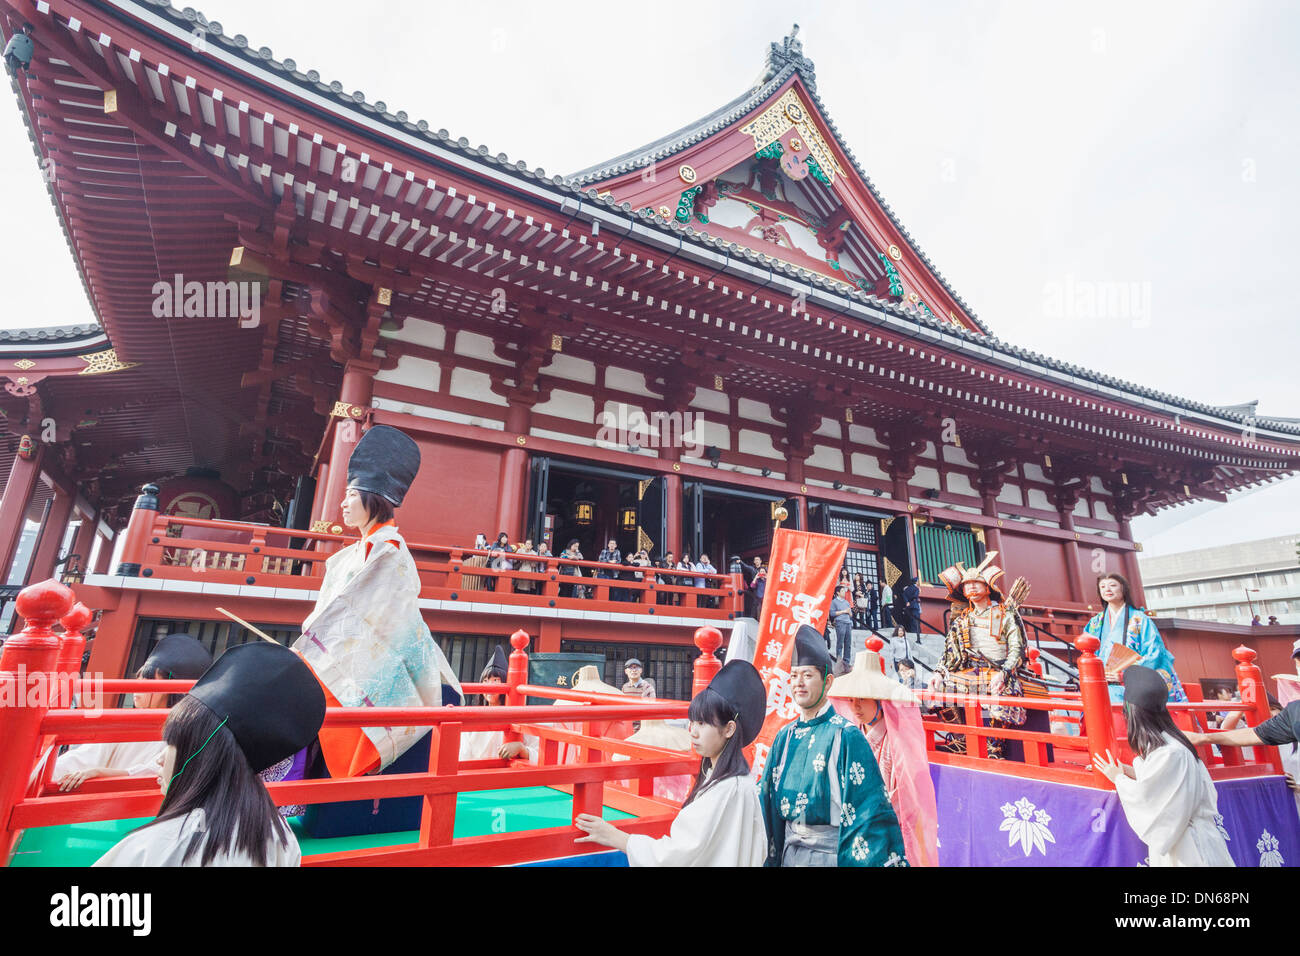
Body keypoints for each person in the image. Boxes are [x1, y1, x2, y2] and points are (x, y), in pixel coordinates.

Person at [293, 424, 462, 778]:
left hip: (385, 655)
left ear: (373, 498)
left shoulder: (389, 551)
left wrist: (312, 641)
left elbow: (367, 612)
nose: (343, 502)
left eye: (351, 494)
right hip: (348, 651)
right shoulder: (350, 555)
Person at [95, 641, 326, 866]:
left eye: (173, 743)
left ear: (203, 754)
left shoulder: (156, 845)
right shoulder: (281, 836)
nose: (160, 758)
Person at [574, 660, 769, 866]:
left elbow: (674, 856)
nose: (692, 731)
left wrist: (617, 837)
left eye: (702, 723)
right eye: (692, 722)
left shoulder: (724, 789)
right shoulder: (741, 783)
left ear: (729, 729)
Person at [759, 625, 909, 867]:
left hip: (828, 857)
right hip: (788, 852)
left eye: (807, 675)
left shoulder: (846, 735)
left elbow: (868, 813)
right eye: (794, 675)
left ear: (827, 682)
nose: (799, 683)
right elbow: (766, 803)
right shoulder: (784, 737)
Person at [1092, 666, 1233, 867]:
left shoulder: (1170, 753)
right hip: (1193, 838)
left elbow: (1148, 798)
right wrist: (1123, 770)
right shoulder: (1174, 746)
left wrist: (1118, 779)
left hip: (1188, 846)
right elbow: (1160, 781)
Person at [51, 633, 212, 791]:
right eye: (139, 678)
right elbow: (84, 757)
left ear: (172, 689)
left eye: (149, 679)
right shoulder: (125, 722)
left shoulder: (184, 732)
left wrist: (100, 772)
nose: (138, 686)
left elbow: (155, 773)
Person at [828, 648, 939, 866]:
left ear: (880, 701)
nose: (855, 706)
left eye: (862, 699)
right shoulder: (850, 735)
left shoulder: (896, 742)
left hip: (886, 830)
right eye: (851, 699)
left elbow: (906, 796)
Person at [931, 551, 1040, 760]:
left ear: (988, 587)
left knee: (1002, 696)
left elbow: (1016, 648)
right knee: (938, 692)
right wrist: (938, 672)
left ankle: (994, 746)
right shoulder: (962, 619)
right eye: (967, 583)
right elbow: (948, 652)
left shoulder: (1004, 614)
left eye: (976, 582)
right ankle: (960, 740)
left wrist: (1005, 672)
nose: (971, 586)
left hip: (998, 670)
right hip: (969, 670)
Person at [1083, 573, 1187, 704]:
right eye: (1102, 587)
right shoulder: (1095, 623)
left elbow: (1154, 653)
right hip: (1102, 683)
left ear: (1123, 589)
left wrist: (1124, 675)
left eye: (1113, 585)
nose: (1107, 589)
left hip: (1131, 684)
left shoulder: (1139, 619)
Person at [459, 646, 536, 762]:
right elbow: (463, 755)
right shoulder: (473, 716)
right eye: (485, 681)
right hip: (476, 775)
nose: (490, 685)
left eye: (495, 680)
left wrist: (521, 749)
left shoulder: (522, 717)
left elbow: (538, 752)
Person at [829, 585, 854, 668]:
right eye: (842, 591)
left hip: (848, 623)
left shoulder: (846, 602)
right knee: (840, 643)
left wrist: (849, 612)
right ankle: (839, 661)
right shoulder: (834, 602)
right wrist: (844, 611)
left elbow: (850, 614)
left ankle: (847, 661)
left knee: (848, 643)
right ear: (838, 592)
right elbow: (832, 613)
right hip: (840, 623)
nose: (844, 592)